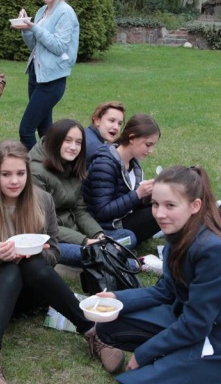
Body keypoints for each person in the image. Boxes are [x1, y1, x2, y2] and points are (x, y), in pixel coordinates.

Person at [0, 140, 124, 384]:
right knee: (10, 270)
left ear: (28, 172)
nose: (14, 181)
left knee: (32, 265)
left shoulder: (42, 200)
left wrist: (37, 254)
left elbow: (54, 252)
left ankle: (92, 333)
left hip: (31, 291)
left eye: (20, 173)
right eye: (6, 174)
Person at [95, 165, 221, 384]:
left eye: (170, 205)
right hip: (188, 322)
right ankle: (173, 366)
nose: (159, 213)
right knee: (107, 324)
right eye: (155, 204)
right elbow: (165, 291)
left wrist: (143, 354)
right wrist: (115, 298)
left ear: (195, 206)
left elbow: (196, 326)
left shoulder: (214, 250)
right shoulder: (179, 234)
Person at [29, 119, 134, 267]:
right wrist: (86, 241)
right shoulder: (36, 172)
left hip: (76, 231)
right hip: (51, 238)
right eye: (68, 141)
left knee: (128, 237)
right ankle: (132, 264)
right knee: (87, 252)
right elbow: (43, 225)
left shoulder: (72, 164)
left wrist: (99, 235)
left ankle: (102, 254)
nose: (73, 147)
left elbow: (79, 210)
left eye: (78, 143)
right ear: (55, 141)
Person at [16, 0, 80, 150]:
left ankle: (35, 166)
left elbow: (59, 46)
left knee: (26, 130)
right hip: (36, 74)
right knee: (45, 130)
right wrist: (26, 29)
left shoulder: (65, 12)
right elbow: (36, 46)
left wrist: (34, 27)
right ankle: (52, 165)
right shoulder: (42, 10)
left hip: (52, 80)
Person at [83, 113, 161, 246]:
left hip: (122, 216)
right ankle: (109, 244)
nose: (151, 150)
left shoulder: (133, 163)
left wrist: (146, 197)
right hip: (106, 225)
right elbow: (101, 212)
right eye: (148, 144)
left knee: (165, 203)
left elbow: (127, 200)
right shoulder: (104, 165)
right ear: (132, 138)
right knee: (160, 213)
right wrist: (138, 194)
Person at [84, 100, 125, 165]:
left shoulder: (85, 133)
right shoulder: (97, 149)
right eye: (112, 121)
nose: (116, 127)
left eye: (119, 123)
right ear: (97, 120)